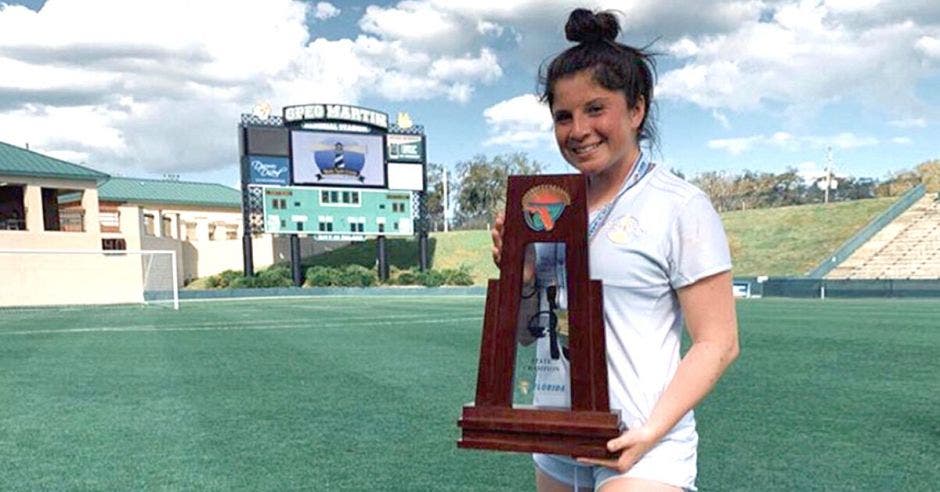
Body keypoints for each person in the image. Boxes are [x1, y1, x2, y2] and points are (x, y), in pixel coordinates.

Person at [490, 8, 739, 492]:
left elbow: (718, 342)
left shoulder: (680, 205)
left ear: (636, 110)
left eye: (595, 109)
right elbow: (526, 336)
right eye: (564, 116)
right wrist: (518, 280)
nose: (578, 129)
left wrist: (649, 433)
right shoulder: (548, 208)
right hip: (558, 437)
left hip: (644, 443)